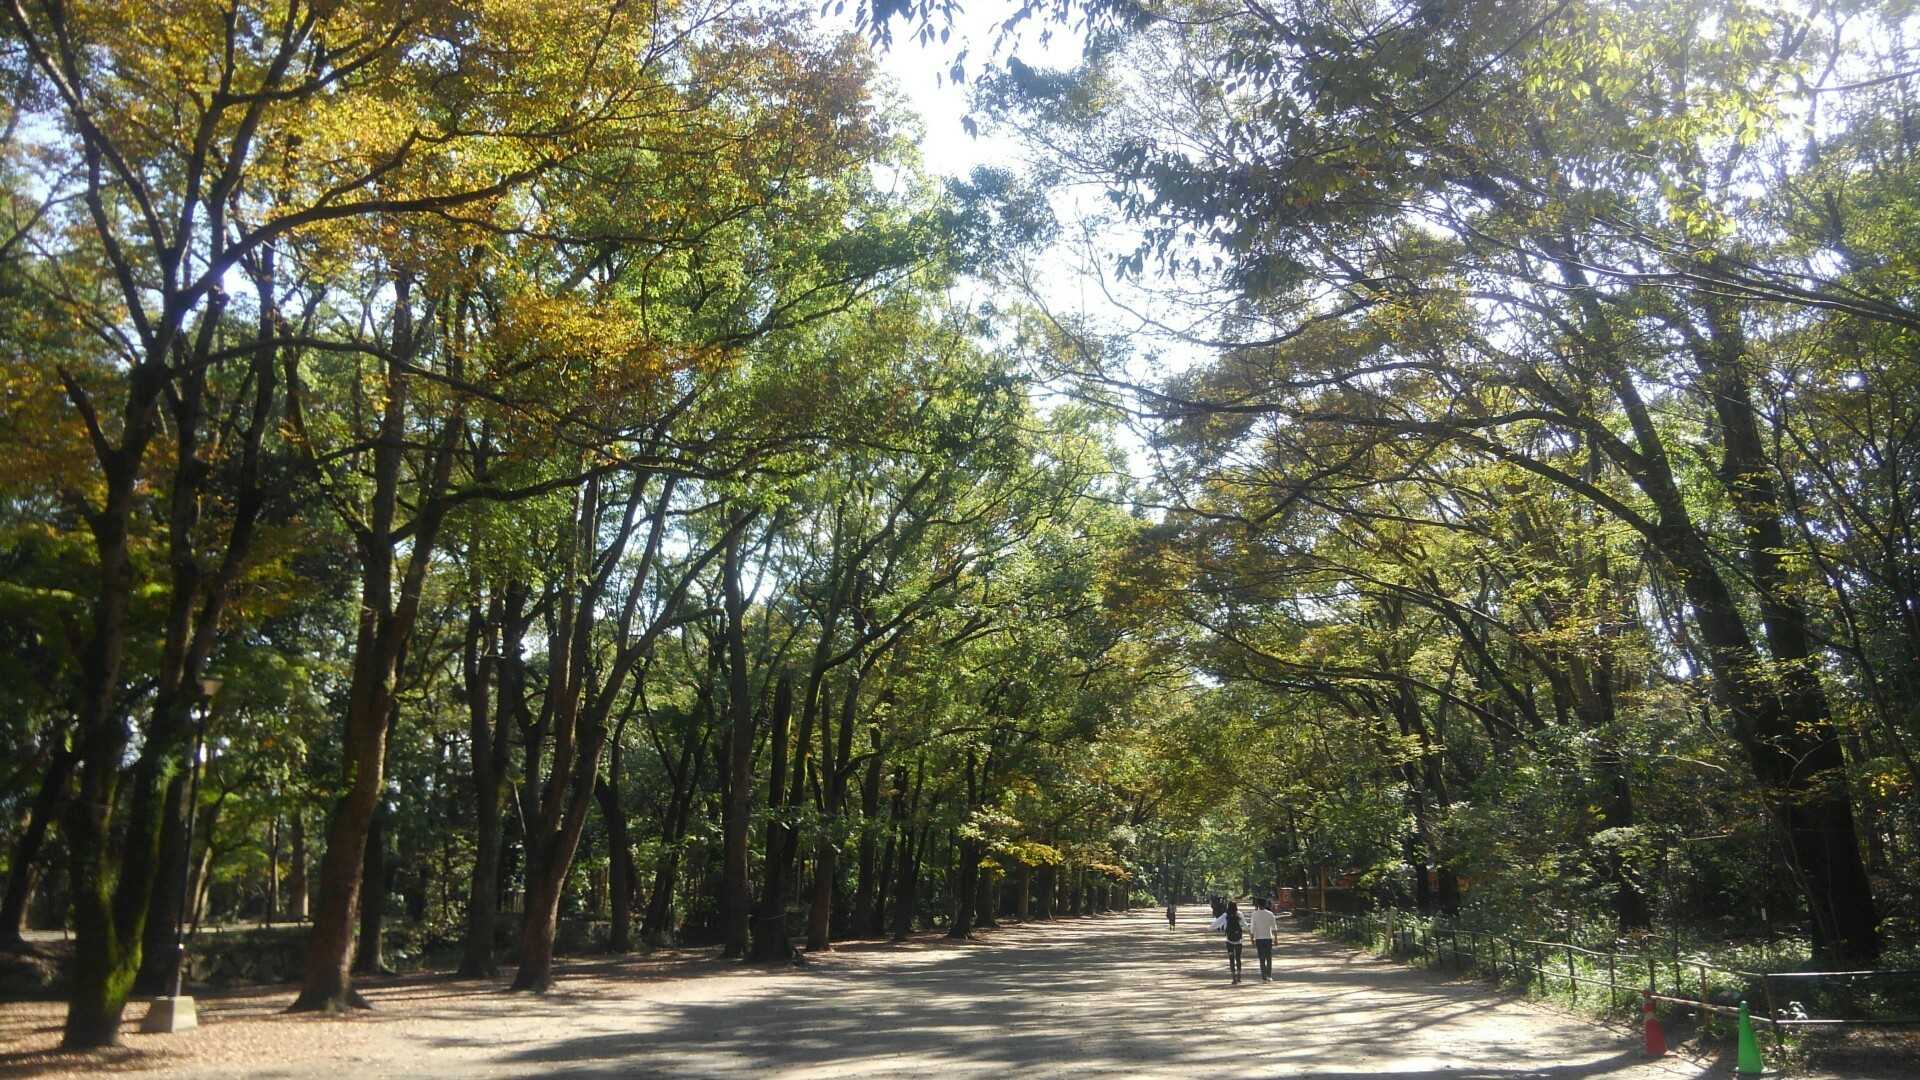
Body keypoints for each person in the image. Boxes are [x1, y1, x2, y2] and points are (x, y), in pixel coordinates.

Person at [1210, 900, 1244, 984]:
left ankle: (1233, 978)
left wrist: (1209, 928)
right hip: (1239, 941)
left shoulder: (1225, 915)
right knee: (1238, 958)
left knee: (1231, 959)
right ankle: (1239, 976)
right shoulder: (1239, 914)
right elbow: (1244, 925)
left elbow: (1216, 923)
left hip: (1229, 941)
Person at [1248, 897, 1278, 982]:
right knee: (1268, 957)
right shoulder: (1270, 914)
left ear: (1257, 904)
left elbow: (1252, 928)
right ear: (1265, 904)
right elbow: (1274, 927)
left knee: (1261, 958)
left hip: (1259, 938)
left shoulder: (1254, 914)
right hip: (1268, 938)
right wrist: (1276, 939)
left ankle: (1264, 976)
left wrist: (1251, 939)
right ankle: (1269, 975)